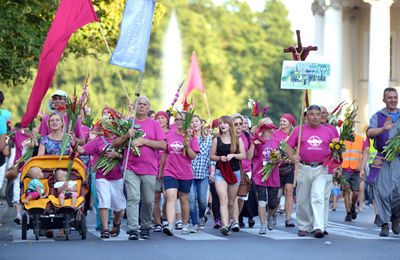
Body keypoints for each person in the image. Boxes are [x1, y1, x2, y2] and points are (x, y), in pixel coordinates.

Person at [113, 96, 166, 240]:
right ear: (134, 107)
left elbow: (162, 145)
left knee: (149, 201)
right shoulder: (127, 123)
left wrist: (143, 141)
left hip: (149, 168)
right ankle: (133, 229)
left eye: (144, 105)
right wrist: (126, 136)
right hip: (130, 167)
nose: (141, 106)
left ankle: (145, 227)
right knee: (133, 197)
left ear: (148, 108)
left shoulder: (154, 124)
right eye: (139, 104)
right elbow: (115, 143)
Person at [73, 112, 126, 238]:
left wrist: (117, 155)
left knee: (119, 206)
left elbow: (127, 157)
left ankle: (116, 222)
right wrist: (73, 142)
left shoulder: (121, 140)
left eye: (110, 124)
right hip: (101, 175)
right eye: (104, 125)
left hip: (117, 176)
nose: (106, 127)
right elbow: (82, 150)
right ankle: (105, 229)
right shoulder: (97, 141)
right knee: (104, 201)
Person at [286, 105, 335, 238]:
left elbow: (336, 148)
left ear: (321, 116)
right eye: (311, 114)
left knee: (318, 196)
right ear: (306, 116)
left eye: (317, 114)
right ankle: (303, 226)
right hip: (303, 167)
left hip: (321, 168)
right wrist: (292, 156)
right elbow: (289, 146)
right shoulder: (299, 130)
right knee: (302, 199)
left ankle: (318, 227)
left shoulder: (328, 131)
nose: (315, 117)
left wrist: (337, 155)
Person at [159, 112, 199, 236]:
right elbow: (165, 153)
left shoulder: (191, 137)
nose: (179, 121)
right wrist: (161, 170)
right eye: (176, 119)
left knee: (184, 199)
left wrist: (187, 146)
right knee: (170, 197)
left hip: (185, 173)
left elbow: (193, 157)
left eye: (181, 119)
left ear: (186, 121)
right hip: (170, 171)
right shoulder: (169, 135)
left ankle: (185, 224)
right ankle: (170, 225)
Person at [366, 87, 400, 237]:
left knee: (398, 192)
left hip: (398, 158)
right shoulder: (378, 116)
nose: (393, 100)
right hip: (383, 158)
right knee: (383, 192)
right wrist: (382, 129)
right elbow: (369, 133)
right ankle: (385, 223)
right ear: (384, 100)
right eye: (390, 98)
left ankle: (395, 216)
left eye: (395, 97)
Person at [210, 115, 246, 236]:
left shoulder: (237, 139)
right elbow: (212, 156)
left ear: (230, 125)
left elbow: (243, 155)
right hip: (220, 172)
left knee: (231, 202)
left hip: (234, 173)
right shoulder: (216, 140)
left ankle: (229, 221)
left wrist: (233, 156)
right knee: (223, 199)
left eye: (225, 123)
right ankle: (224, 225)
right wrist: (220, 158)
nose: (222, 125)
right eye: (220, 123)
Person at [248, 123, 280, 234]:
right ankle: (262, 226)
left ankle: (270, 216)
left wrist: (277, 159)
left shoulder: (276, 141)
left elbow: (281, 158)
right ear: (266, 129)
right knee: (262, 201)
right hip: (260, 175)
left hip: (273, 175)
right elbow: (249, 157)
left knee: (272, 203)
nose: (273, 129)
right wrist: (253, 144)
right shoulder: (257, 141)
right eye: (270, 127)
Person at [189, 115, 215, 233]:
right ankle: (194, 222)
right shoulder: (187, 139)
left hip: (203, 173)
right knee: (192, 199)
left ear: (201, 123)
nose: (194, 123)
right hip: (189, 174)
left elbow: (212, 158)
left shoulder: (209, 139)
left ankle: (201, 216)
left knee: (202, 201)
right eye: (192, 122)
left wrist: (212, 172)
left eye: (196, 121)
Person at [11, 123, 39, 224]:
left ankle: (29, 215)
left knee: (31, 191)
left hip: (33, 171)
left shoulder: (38, 138)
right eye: (26, 126)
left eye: (31, 127)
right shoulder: (17, 135)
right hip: (20, 169)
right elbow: (8, 131)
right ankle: (18, 215)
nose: (27, 129)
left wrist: (34, 139)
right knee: (17, 191)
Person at [272, 113, 296, 228]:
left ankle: (288, 218)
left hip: (290, 167)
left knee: (289, 191)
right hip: (277, 167)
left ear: (290, 123)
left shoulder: (294, 134)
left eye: (284, 121)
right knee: (277, 195)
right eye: (281, 121)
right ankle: (274, 213)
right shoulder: (275, 134)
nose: (282, 123)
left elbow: (297, 149)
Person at [340, 134, 368, 222]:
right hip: (345, 170)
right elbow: (338, 153)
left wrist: (362, 167)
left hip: (356, 170)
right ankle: (348, 213)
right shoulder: (342, 139)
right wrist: (338, 168)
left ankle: (352, 206)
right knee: (347, 191)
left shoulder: (360, 139)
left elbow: (365, 153)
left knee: (355, 193)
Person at [232, 114, 253, 232]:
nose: (239, 126)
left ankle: (236, 217)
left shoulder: (247, 136)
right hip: (232, 170)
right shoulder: (228, 136)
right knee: (233, 197)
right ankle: (235, 221)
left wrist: (254, 143)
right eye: (236, 124)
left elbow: (249, 156)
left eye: (241, 124)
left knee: (241, 198)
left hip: (245, 170)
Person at [153, 111, 170, 232]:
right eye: (158, 118)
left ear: (167, 120)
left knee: (168, 196)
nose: (160, 120)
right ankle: (157, 222)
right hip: (154, 168)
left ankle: (165, 217)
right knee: (156, 197)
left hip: (168, 169)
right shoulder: (153, 133)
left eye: (162, 118)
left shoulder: (171, 133)